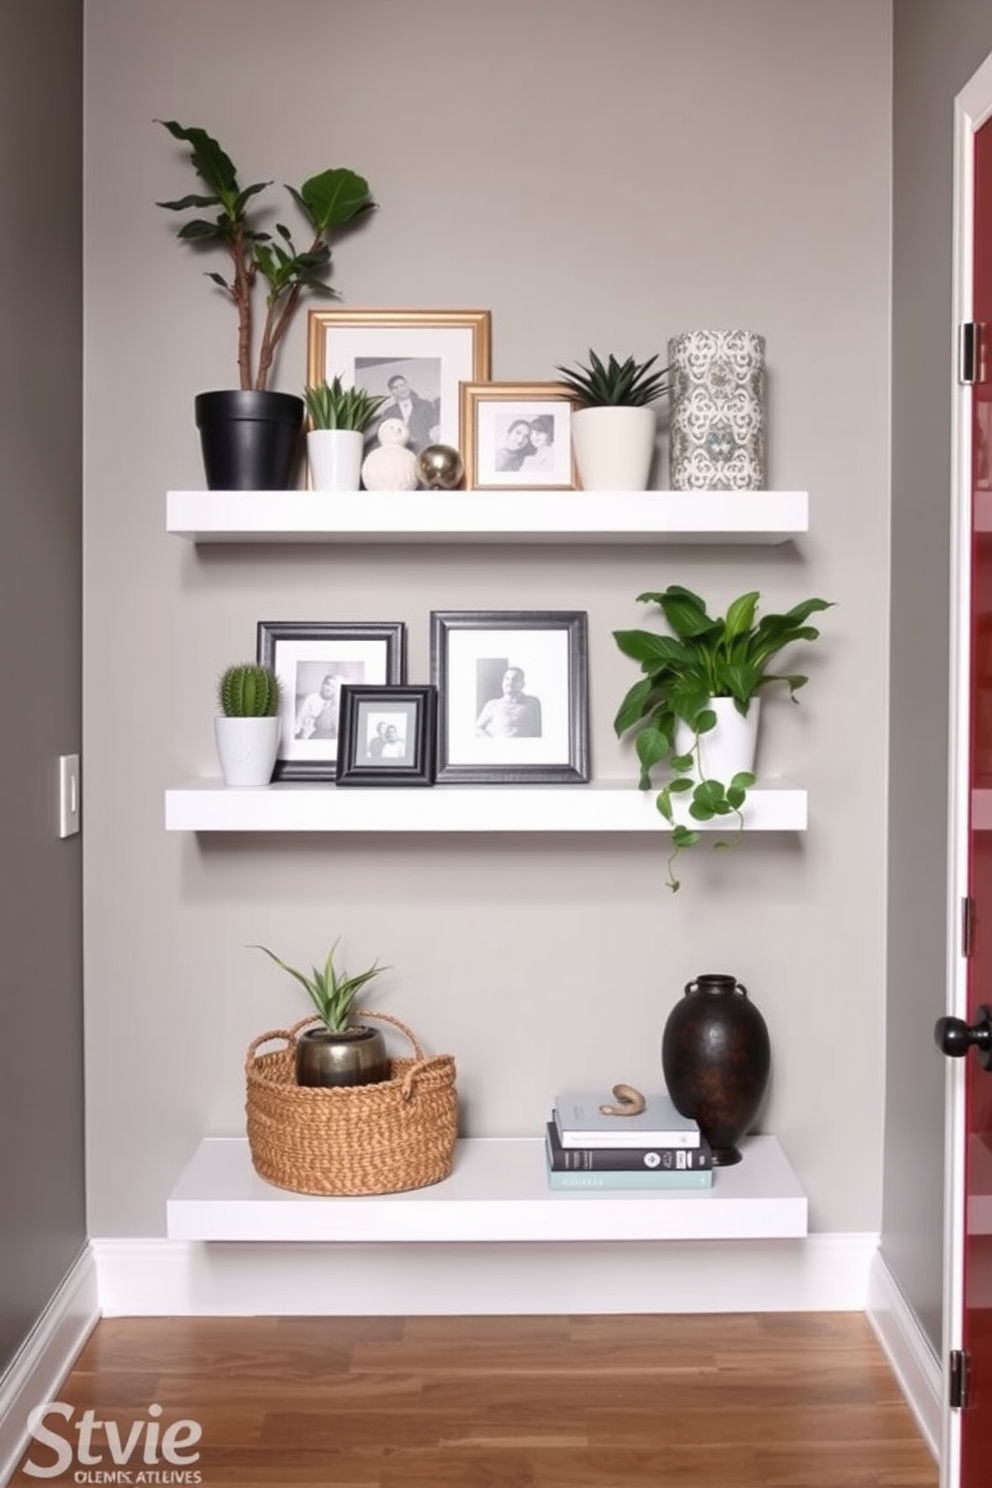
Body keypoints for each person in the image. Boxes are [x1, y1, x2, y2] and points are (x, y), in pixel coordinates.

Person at [375, 373, 440, 455]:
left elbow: (435, 427)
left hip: (424, 450)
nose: (401, 389)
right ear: (392, 392)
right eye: (396, 388)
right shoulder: (388, 412)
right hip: (400, 453)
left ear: (407, 386)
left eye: (402, 385)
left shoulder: (425, 405)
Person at [476, 667, 543, 738]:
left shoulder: (533, 703)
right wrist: (493, 741)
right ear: (502, 683)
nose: (510, 682)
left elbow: (538, 731)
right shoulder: (492, 704)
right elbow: (478, 728)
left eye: (515, 679)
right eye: (507, 678)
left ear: (522, 684)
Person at [294, 674, 340, 740]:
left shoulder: (335, 704)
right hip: (307, 737)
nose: (329, 689)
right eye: (327, 684)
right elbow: (299, 719)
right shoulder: (311, 698)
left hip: (325, 738)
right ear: (322, 685)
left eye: (332, 687)